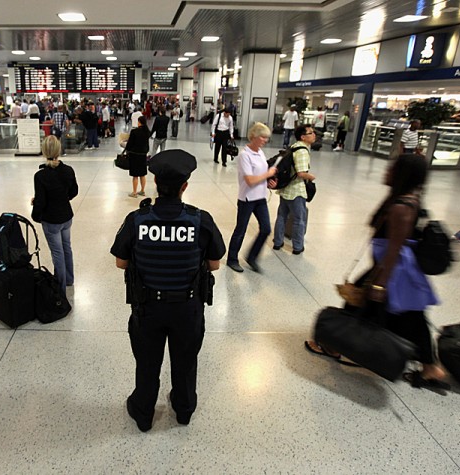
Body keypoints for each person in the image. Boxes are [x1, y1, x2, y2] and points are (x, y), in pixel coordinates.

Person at [306, 154, 447, 390]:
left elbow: (394, 249)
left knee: (358, 306)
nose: (387, 171)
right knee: (410, 317)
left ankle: (334, 345)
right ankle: (430, 366)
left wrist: (380, 284)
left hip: (390, 270)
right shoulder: (408, 199)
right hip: (394, 269)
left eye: (393, 168)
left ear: (402, 174)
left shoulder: (402, 206)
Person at [110, 149, 226, 432]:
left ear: (155, 184)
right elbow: (214, 264)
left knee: (148, 363)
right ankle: (184, 409)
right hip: (187, 308)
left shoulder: (137, 220)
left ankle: (143, 413)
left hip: (147, 306)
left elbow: (120, 262)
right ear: (184, 186)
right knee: (185, 362)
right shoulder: (201, 220)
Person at [225, 122, 277, 273]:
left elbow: (260, 175)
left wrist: (268, 182)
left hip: (260, 198)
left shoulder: (260, 153)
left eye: (267, 137)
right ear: (253, 136)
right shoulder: (244, 155)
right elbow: (250, 180)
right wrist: (268, 174)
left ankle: (252, 257)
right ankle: (232, 259)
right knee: (241, 229)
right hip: (247, 199)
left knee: (266, 229)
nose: (265, 140)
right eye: (262, 137)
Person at [31, 136, 78, 293]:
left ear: (44, 151)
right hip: (66, 215)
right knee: (67, 248)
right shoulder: (68, 170)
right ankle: (69, 279)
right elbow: (74, 191)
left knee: (57, 252)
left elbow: (41, 202)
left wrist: (36, 214)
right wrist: (63, 198)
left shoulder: (41, 176)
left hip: (51, 220)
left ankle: (60, 286)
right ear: (59, 150)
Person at [273, 125, 316, 255]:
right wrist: (311, 177)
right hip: (296, 191)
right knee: (299, 219)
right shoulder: (303, 151)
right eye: (311, 133)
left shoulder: (293, 146)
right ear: (303, 137)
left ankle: (277, 242)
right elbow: (301, 173)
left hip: (285, 188)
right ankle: (298, 246)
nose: (314, 135)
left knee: (282, 216)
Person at [125, 116, 150, 197]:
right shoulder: (147, 132)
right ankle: (142, 190)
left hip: (134, 155)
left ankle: (134, 192)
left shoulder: (134, 131)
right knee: (142, 174)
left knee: (135, 175)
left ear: (139, 122)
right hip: (143, 155)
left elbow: (129, 145)